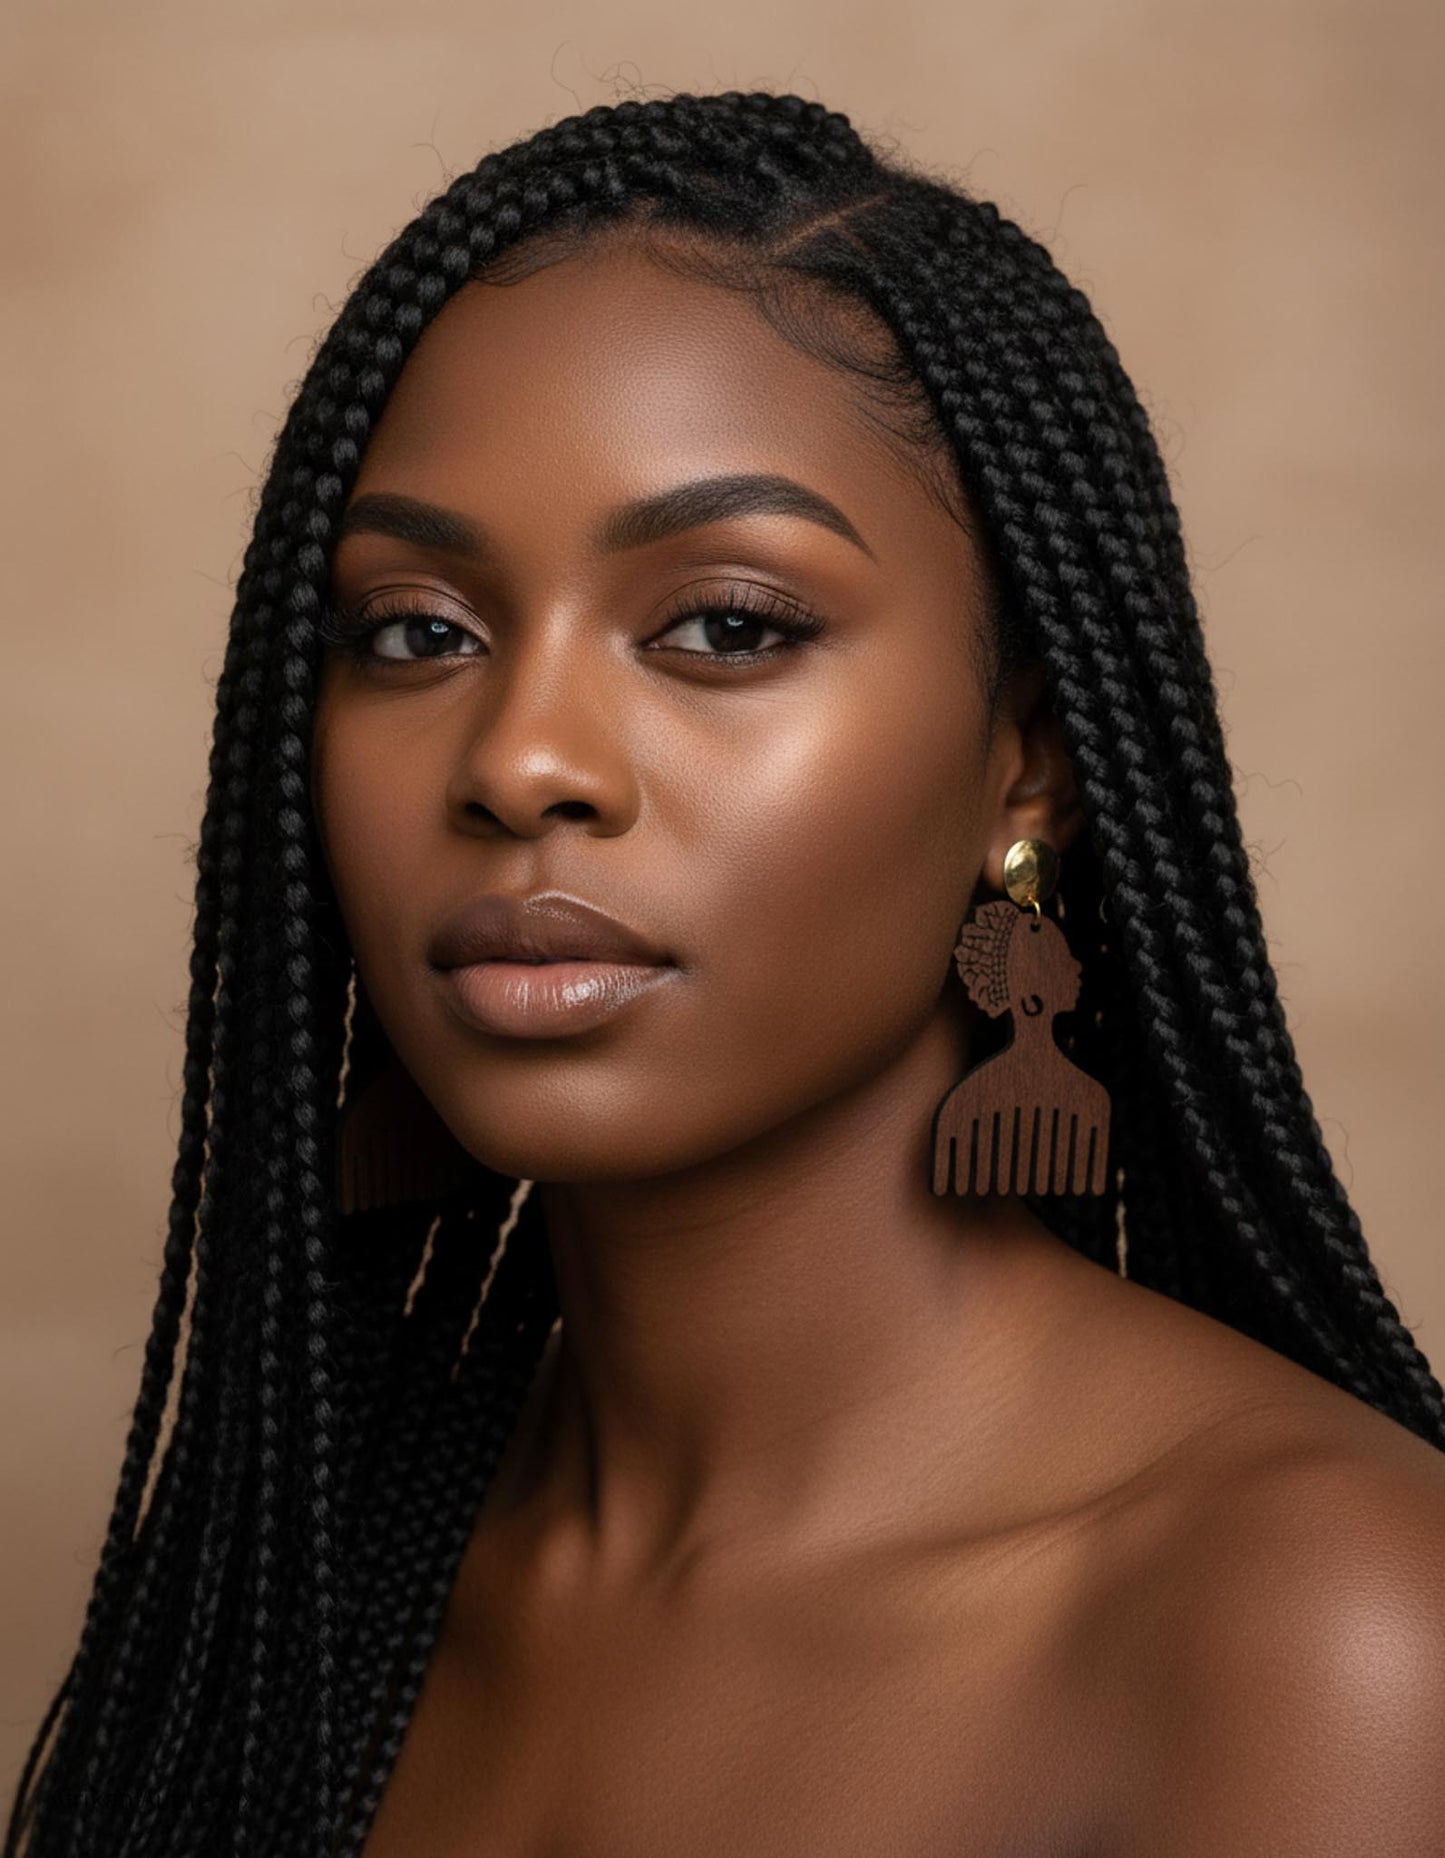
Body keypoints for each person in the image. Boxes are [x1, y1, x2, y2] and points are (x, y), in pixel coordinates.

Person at [8, 88, 1445, 1858]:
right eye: (415, 631)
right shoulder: (309, 1572)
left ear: (1032, 759)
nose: (521, 759)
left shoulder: (1330, 1640)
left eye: (725, 625)